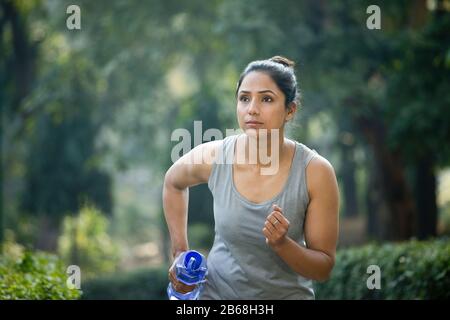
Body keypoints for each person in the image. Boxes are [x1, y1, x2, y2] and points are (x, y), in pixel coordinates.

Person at [163, 56, 339, 299]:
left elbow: (323, 268)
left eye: (266, 99)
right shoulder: (216, 157)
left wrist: (282, 244)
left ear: (290, 110)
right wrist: (180, 252)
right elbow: (173, 182)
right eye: (244, 98)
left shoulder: (315, 171)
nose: (252, 109)